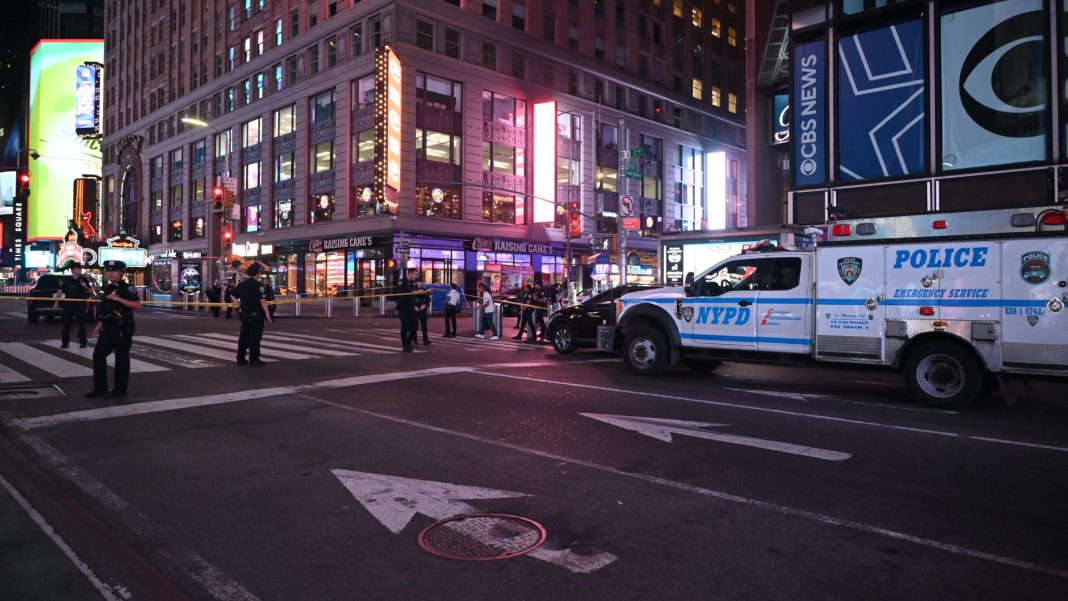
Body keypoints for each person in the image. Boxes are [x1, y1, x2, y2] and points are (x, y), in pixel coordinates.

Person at [85, 260, 142, 399]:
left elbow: (137, 305)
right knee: (98, 356)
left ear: (121, 273)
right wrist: (99, 326)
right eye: (108, 271)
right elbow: (106, 309)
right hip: (108, 327)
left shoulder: (127, 288)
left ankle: (120, 390)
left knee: (121, 359)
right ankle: (100, 389)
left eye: (114, 271)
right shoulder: (108, 288)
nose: (110, 273)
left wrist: (118, 299)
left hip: (122, 328)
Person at [234, 264, 273, 366]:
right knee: (255, 338)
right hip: (256, 315)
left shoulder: (242, 284)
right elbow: (262, 301)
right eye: (259, 273)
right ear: (256, 274)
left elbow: (232, 295)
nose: (260, 274)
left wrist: (238, 304)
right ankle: (254, 359)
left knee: (243, 337)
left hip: (244, 315)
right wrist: (268, 315)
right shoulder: (259, 285)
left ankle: (240, 358)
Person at [60, 262, 94, 348]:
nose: (80, 270)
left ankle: (83, 342)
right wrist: (56, 302)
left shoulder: (83, 279)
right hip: (68, 305)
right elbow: (60, 291)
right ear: (73, 270)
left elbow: (91, 291)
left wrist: (85, 286)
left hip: (80, 305)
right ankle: (65, 343)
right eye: (78, 269)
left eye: (80, 269)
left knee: (82, 325)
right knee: (66, 325)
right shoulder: (67, 280)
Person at [396, 268, 420, 352]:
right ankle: (405, 345)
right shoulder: (402, 282)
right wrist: (414, 292)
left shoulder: (414, 283)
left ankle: (409, 342)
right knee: (405, 326)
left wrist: (426, 292)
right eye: (415, 274)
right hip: (403, 307)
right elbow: (402, 293)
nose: (416, 276)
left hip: (411, 307)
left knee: (415, 325)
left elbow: (417, 292)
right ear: (410, 273)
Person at [412, 275, 431, 345]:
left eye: (420, 282)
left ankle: (425, 340)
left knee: (424, 325)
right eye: (418, 282)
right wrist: (414, 306)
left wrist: (425, 305)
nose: (419, 284)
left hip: (423, 309)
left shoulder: (424, 289)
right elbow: (409, 299)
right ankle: (414, 340)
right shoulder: (412, 290)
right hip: (415, 309)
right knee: (414, 325)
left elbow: (428, 299)